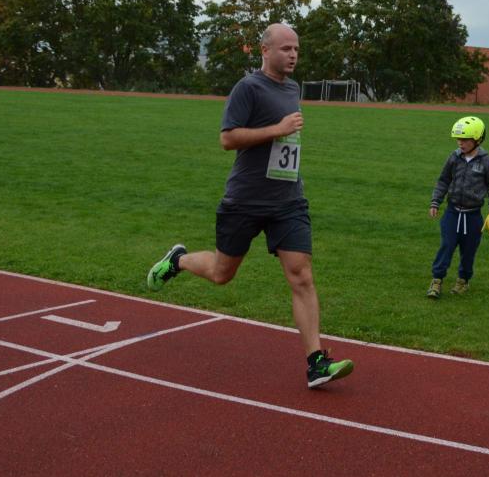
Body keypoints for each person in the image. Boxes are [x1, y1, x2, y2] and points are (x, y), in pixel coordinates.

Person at [145, 23, 353, 389]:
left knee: (301, 275)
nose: (293, 55)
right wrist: (277, 129)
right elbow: (228, 139)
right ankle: (178, 260)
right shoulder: (247, 88)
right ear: (265, 50)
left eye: (296, 49)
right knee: (221, 273)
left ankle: (316, 363)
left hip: (288, 201)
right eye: (286, 48)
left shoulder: (292, 88)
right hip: (245, 200)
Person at [426, 116, 489, 299]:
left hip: (473, 217)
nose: (460, 143)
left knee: (468, 252)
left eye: (465, 140)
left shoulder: (486, 161)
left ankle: (463, 280)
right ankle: (437, 280)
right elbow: (443, 181)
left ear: (477, 139)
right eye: (458, 139)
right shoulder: (454, 158)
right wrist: (435, 202)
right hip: (452, 213)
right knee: (447, 245)